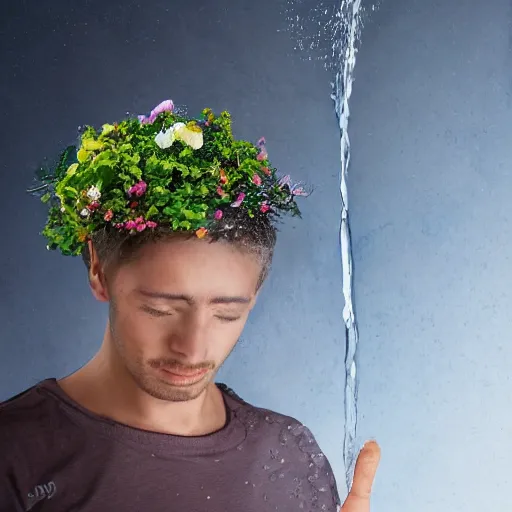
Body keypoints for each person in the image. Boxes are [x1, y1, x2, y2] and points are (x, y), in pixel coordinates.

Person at [0, 100, 380, 511]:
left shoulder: (288, 455)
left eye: (226, 314)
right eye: (161, 309)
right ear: (98, 269)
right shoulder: (15, 456)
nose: (194, 349)